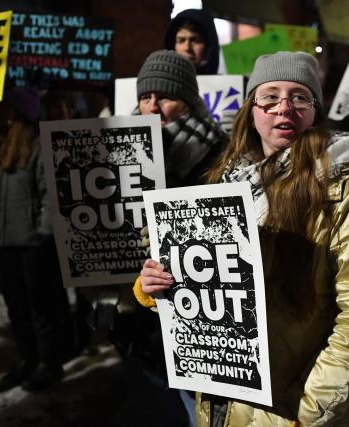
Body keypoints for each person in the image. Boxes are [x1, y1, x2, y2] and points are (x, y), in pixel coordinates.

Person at [135, 51, 349, 426]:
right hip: (221, 405)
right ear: (252, 107)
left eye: (299, 97)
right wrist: (156, 286)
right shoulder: (226, 177)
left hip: (287, 412)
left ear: (315, 109)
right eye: (270, 96)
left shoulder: (348, 186)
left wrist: (308, 412)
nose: (284, 108)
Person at [102, 49, 227, 427]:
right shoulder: (114, 151)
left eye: (165, 97)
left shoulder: (219, 152)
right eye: (145, 97)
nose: (152, 106)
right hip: (138, 312)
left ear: (187, 102)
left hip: (192, 310)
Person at [0, 87, 71, 392]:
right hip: (5, 244)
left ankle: (49, 363)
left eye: (8, 110)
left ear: (19, 115)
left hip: (32, 245)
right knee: (17, 307)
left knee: (40, 308)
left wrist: (42, 235)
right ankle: (28, 359)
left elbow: (51, 197)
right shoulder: (1, 151)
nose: (3, 116)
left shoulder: (37, 149)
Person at [163, 8, 219, 75]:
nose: (187, 48)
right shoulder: (160, 83)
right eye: (181, 40)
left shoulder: (225, 84)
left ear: (208, 46)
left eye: (195, 41)